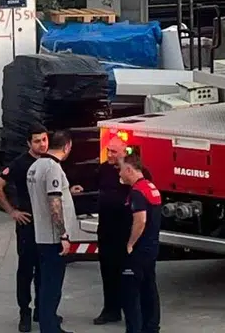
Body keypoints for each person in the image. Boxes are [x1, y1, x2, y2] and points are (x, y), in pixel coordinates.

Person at [0, 126, 49, 332]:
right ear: (28, 144)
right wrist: (12, 211)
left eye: (44, 140)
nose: (42, 144)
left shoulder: (50, 161)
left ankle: (43, 310)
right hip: (28, 224)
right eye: (37, 141)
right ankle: (25, 312)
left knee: (45, 270)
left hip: (47, 225)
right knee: (26, 271)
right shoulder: (20, 163)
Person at [26, 130, 79, 333]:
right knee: (52, 287)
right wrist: (63, 234)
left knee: (46, 284)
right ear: (66, 146)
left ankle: (51, 325)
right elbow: (54, 202)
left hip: (41, 234)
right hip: (53, 238)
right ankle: (50, 329)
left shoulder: (35, 166)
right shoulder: (52, 168)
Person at [119, 152, 162, 333]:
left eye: (121, 170)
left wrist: (130, 243)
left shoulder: (137, 193)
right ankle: (151, 326)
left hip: (139, 251)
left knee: (131, 293)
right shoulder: (151, 187)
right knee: (149, 288)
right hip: (151, 248)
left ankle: (134, 329)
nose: (119, 174)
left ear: (129, 169)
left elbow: (140, 220)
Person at [91, 137, 131, 325]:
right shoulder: (104, 169)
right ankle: (110, 310)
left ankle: (132, 311)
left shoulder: (134, 172)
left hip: (126, 231)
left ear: (124, 151)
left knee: (128, 273)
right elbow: (93, 185)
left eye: (114, 152)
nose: (110, 155)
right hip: (106, 229)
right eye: (109, 151)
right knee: (107, 270)